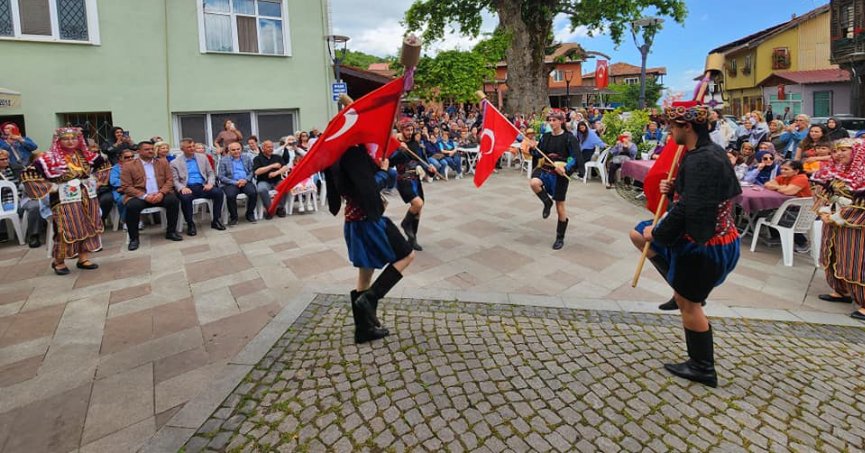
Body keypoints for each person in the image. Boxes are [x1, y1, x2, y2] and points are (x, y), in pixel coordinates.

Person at [629, 102, 741, 387]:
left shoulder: (702, 159)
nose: (669, 132)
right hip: (712, 239)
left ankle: (702, 367)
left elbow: (691, 208)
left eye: (673, 127)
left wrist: (660, 230)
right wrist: (675, 187)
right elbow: (698, 193)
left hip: (705, 245)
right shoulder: (709, 152)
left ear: (687, 127)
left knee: (690, 307)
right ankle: (681, 290)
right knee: (637, 234)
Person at [324, 144, 414, 343]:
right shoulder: (352, 153)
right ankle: (371, 298)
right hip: (369, 222)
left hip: (354, 223)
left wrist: (393, 158)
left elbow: (360, 178)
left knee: (365, 276)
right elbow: (368, 186)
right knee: (407, 255)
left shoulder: (336, 153)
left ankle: (363, 331)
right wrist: (383, 172)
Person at [21, 128, 112, 274]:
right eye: (66, 139)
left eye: (74, 138)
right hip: (63, 199)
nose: (70, 141)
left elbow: (104, 164)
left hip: (87, 196)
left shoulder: (85, 155)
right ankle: (59, 261)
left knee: (88, 226)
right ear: (58, 141)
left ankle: (83, 258)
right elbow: (28, 174)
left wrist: (97, 180)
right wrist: (51, 187)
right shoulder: (49, 158)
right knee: (66, 229)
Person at [811, 138, 865, 321]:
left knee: (856, 260)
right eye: (836, 150)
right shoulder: (837, 171)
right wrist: (824, 209)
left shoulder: (862, 175)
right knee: (834, 254)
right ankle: (841, 291)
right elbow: (825, 192)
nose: (838, 154)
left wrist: (840, 217)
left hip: (856, 226)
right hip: (834, 222)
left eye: (844, 150)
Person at [529, 109, 582, 250]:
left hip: (560, 174)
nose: (551, 123)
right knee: (534, 183)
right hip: (545, 169)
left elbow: (575, 157)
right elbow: (539, 152)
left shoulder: (570, 138)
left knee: (560, 207)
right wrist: (533, 148)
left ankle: (560, 238)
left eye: (554, 120)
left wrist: (566, 168)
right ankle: (547, 202)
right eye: (550, 120)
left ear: (561, 121)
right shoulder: (546, 137)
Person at [121, 141, 183, 250]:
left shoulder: (162, 163)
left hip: (160, 194)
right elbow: (126, 187)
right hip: (140, 197)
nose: (150, 151)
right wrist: (145, 196)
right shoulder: (129, 166)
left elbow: (169, 181)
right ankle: (134, 239)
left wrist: (161, 193)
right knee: (132, 207)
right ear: (139, 151)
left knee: (173, 200)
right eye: (147, 149)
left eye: (151, 149)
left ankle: (171, 232)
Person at [171, 138, 226, 235]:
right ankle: (190, 224)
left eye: (193, 146)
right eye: (189, 147)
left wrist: (210, 183)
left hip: (202, 186)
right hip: (187, 187)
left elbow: (210, 173)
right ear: (182, 149)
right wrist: (182, 188)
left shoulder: (202, 157)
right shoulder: (175, 162)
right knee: (185, 199)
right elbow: (174, 180)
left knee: (218, 193)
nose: (192, 148)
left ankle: (216, 220)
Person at [392, 119, 428, 251]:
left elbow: (421, 159)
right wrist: (400, 150)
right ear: (402, 130)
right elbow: (390, 161)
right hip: (404, 179)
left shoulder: (414, 143)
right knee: (417, 203)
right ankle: (405, 223)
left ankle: (412, 239)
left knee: (418, 210)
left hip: (416, 179)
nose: (410, 132)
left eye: (411, 130)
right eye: (407, 130)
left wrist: (429, 169)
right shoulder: (396, 144)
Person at [764, 159, 813, 252]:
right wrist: (781, 187)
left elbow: (789, 191)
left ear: (796, 171)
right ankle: (777, 236)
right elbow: (767, 184)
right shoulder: (783, 177)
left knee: (774, 215)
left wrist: (779, 188)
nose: (782, 171)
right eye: (782, 169)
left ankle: (803, 243)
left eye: (786, 169)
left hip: (802, 210)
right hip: (789, 206)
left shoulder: (801, 178)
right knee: (766, 210)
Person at [0, 149, 43, 247]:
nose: (5, 161)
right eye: (2, 159)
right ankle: (33, 235)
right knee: (34, 206)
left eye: (7, 159)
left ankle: (37, 234)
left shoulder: (17, 169)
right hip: (6, 203)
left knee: (37, 204)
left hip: (23, 198)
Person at [218, 142, 258, 225]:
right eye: (233, 150)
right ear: (229, 151)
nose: (236, 151)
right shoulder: (223, 160)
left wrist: (246, 180)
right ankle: (234, 217)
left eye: (238, 149)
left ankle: (249, 214)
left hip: (245, 181)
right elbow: (221, 176)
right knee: (230, 195)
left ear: (241, 149)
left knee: (253, 192)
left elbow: (251, 171)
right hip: (231, 183)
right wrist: (235, 182)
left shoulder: (246, 158)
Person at [253, 140, 289, 219]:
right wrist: (272, 166)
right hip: (264, 181)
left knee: (285, 186)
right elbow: (257, 172)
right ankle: (270, 209)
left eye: (272, 147)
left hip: (277, 180)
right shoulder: (257, 158)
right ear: (263, 148)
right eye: (268, 147)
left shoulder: (277, 157)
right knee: (261, 189)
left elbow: (285, 167)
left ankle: (280, 208)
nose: (271, 149)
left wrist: (276, 173)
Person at [109, 149, 136, 230]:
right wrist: (128, 184)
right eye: (127, 157)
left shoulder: (138, 165)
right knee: (123, 200)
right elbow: (113, 181)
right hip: (122, 192)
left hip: (136, 189)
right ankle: (126, 221)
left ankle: (135, 220)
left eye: (132, 156)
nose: (130, 158)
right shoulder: (116, 168)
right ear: (120, 158)